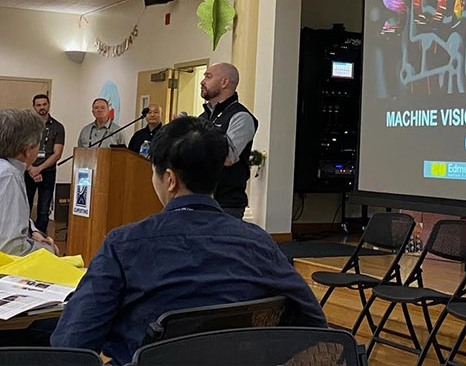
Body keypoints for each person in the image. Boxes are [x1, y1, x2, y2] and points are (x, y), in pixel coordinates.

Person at [51, 117, 325, 365]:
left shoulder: (123, 245)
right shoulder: (258, 243)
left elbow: (71, 344)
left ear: (170, 179)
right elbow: (314, 322)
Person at [198, 63, 257, 219]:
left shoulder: (241, 117)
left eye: (208, 77)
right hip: (201, 199)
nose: (202, 82)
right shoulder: (203, 117)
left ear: (224, 82)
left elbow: (227, 157)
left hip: (226, 204)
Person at [0, 109, 60, 256]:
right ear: (27, 150)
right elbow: (10, 248)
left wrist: (33, 232)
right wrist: (49, 251)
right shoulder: (9, 176)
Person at [25, 94, 65, 235]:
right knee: (25, 206)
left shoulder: (58, 127)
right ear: (34, 106)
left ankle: (40, 239)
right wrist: (31, 169)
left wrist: (39, 169)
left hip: (48, 172)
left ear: (48, 105)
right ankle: (24, 237)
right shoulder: (27, 126)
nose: (41, 107)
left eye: (44, 104)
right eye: (38, 105)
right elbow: (20, 149)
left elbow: (57, 153)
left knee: (43, 209)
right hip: (27, 171)